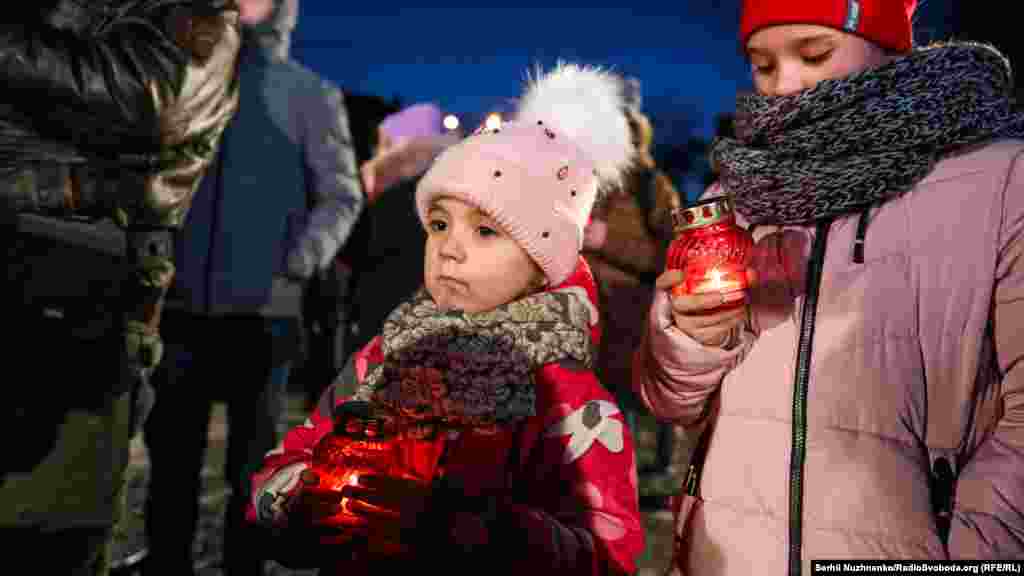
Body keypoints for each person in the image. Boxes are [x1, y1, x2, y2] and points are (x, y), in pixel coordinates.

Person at [634, 0, 1024, 573]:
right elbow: (670, 401)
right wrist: (691, 339)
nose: (786, 85)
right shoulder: (734, 192)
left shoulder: (998, 180)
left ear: (891, 48)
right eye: (763, 66)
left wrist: (970, 553)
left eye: (814, 54)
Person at [247, 63, 644, 574]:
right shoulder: (386, 355)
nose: (449, 248)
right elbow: (295, 455)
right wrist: (303, 499)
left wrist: (480, 532)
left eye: (485, 231)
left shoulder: (568, 401)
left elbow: (606, 556)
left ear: (542, 261)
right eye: (439, 224)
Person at [0, 2, 241, 574]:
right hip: (58, 281)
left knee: (45, 532)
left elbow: (151, 98)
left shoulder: (200, 18)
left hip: (78, 304)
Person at [141, 0, 363, 574]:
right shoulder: (180, 77)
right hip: (180, 308)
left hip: (264, 315)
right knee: (170, 467)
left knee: (251, 473)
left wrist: (296, 262)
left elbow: (341, 193)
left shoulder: (306, 92)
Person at [582, 77, 683, 482]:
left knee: (640, 395)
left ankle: (657, 471)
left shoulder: (652, 187)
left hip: (634, 312)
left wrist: (609, 240)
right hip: (591, 314)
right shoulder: (583, 183)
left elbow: (673, 256)